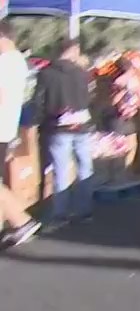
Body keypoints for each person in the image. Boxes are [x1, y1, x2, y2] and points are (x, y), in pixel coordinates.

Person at [31, 37, 97, 228]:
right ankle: (85, 209)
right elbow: (88, 99)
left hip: (57, 126)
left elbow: (38, 101)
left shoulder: (46, 73)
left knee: (61, 170)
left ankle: (61, 212)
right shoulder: (82, 74)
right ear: (73, 50)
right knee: (85, 167)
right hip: (82, 125)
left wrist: (43, 118)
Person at [0, 21, 41, 247]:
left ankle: (21, 220)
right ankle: (19, 221)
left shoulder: (6, 62)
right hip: (6, 127)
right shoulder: (18, 62)